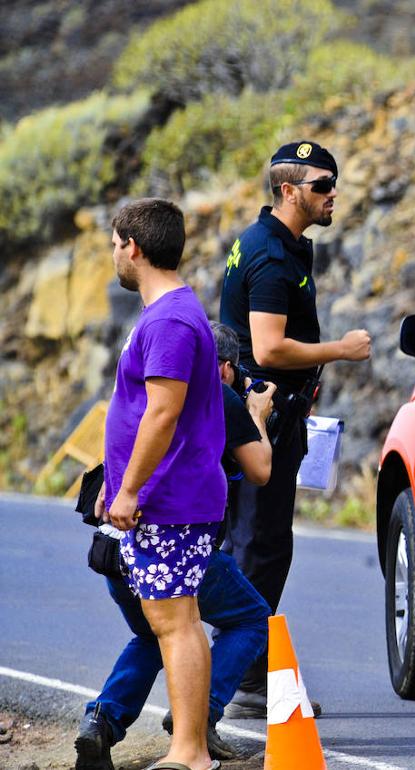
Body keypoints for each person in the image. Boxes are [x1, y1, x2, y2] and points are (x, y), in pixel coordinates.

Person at [76, 324, 277, 770]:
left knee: (154, 634)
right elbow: (260, 469)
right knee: (251, 618)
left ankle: (100, 722)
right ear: (224, 367)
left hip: (115, 545)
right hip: (173, 542)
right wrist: (257, 413)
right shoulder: (215, 392)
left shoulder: (145, 389)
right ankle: (199, 717)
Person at [218, 140, 371, 717]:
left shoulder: (278, 243)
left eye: (334, 183)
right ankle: (243, 675)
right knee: (259, 543)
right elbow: (268, 347)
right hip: (264, 415)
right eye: (321, 185)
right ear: (288, 191)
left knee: (258, 541)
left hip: (275, 410)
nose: (333, 194)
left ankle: (242, 667)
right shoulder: (271, 255)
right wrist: (341, 350)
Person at [94, 198, 225, 770]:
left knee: (174, 623)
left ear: (134, 247)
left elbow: (163, 412)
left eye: (114, 244)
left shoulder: (170, 319)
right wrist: (115, 481)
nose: (113, 255)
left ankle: (189, 752)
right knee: (178, 620)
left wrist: (130, 490)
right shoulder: (165, 313)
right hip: (166, 496)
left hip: (170, 499)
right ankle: (189, 748)